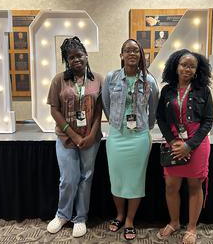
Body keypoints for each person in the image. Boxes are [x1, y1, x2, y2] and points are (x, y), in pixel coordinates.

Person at [46, 36, 103, 238]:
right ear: (66, 60)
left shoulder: (98, 79)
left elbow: (98, 111)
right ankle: (62, 215)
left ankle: (80, 218)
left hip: (91, 138)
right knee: (68, 179)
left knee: (86, 178)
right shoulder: (58, 80)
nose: (76, 59)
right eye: (71, 57)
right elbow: (54, 110)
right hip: (65, 138)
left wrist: (91, 135)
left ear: (86, 56)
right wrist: (73, 135)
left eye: (79, 55)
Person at [102, 39, 159, 240]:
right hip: (117, 135)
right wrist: (115, 123)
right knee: (116, 178)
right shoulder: (111, 78)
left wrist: (145, 127)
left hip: (139, 138)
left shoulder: (149, 81)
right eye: (128, 50)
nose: (132, 54)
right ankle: (119, 214)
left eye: (136, 50)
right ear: (121, 55)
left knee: (135, 180)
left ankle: (130, 220)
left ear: (141, 55)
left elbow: (153, 109)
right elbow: (106, 104)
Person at [156, 49, 213, 244]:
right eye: (184, 64)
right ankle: (174, 222)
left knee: (194, 185)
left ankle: (191, 227)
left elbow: (208, 120)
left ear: (197, 70)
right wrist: (173, 141)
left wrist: (190, 145)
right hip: (173, 142)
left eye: (192, 66)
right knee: (171, 186)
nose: (187, 69)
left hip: (196, 143)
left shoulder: (203, 91)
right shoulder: (167, 90)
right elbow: (161, 118)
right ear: (176, 66)